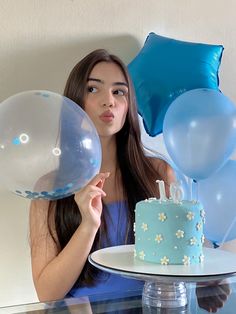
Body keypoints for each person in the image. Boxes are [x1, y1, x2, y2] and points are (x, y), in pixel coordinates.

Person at [29, 49, 175, 302]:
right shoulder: (50, 187)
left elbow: (182, 259)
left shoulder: (158, 174)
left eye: (119, 91)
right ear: (74, 101)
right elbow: (47, 293)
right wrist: (89, 225)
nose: (109, 101)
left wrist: (210, 283)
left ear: (129, 105)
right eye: (93, 89)